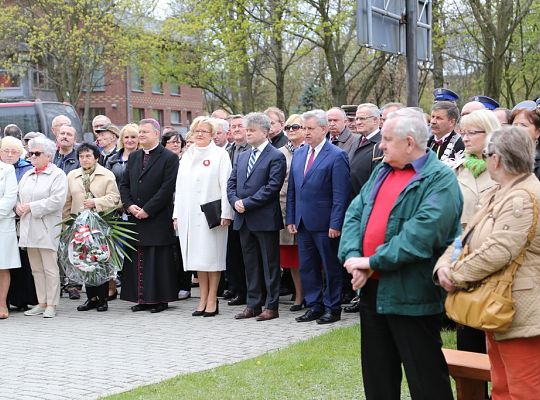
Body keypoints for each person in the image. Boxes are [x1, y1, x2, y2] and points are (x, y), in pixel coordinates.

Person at [339, 108, 462, 399]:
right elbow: (354, 214)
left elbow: (421, 234)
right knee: (378, 377)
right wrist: (354, 258)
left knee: (426, 379)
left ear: (409, 142)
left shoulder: (440, 179)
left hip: (412, 295)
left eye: (386, 139)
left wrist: (371, 262)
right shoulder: (382, 171)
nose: (380, 145)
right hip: (373, 292)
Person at [435, 126, 540, 399]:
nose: (483, 159)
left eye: (486, 154)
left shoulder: (523, 197)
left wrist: (455, 275)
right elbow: (465, 237)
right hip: (500, 308)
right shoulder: (499, 192)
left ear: (496, 159)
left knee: (524, 391)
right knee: (502, 388)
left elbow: (498, 250)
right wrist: (444, 265)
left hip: (523, 312)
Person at [286, 109, 350, 324]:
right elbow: (294, 189)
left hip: (325, 224)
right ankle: (314, 305)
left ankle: (332, 308)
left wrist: (336, 222)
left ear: (323, 129)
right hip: (303, 222)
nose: (305, 132)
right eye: (304, 128)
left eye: (310, 128)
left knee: (330, 267)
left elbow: (341, 194)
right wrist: (292, 218)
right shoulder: (300, 153)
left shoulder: (336, 155)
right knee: (308, 266)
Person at [227, 112, 286, 321]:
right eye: (247, 129)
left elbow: (272, 187)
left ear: (265, 132)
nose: (247, 133)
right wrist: (235, 201)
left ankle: (271, 306)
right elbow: (231, 183)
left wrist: (247, 203)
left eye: (251, 130)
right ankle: (253, 304)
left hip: (264, 218)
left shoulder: (276, 156)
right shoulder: (242, 156)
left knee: (269, 264)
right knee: (250, 263)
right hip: (243, 219)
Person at [174, 118, 233, 316]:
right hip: (189, 214)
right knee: (198, 258)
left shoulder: (220, 154)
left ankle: (212, 298)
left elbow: (226, 185)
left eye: (204, 131)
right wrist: (176, 215)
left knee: (211, 257)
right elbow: (179, 188)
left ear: (212, 134)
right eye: (196, 131)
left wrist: (226, 212)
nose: (200, 134)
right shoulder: (187, 155)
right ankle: (202, 297)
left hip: (211, 215)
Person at [119, 118, 179, 313]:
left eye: (145, 132)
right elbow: (124, 184)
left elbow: (166, 188)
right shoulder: (135, 156)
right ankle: (141, 299)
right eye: (140, 132)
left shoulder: (168, 157)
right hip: (136, 217)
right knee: (137, 259)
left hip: (157, 217)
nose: (141, 135)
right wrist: (130, 206)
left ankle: (160, 300)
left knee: (157, 261)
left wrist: (148, 209)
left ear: (156, 134)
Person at [64, 143, 121, 312]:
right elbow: (67, 201)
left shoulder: (106, 174)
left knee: (100, 259)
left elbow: (115, 198)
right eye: (81, 156)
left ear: (96, 157)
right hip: (79, 225)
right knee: (84, 259)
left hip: (100, 225)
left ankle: (103, 298)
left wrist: (96, 202)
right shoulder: (72, 175)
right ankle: (91, 298)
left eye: (88, 156)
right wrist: (66, 223)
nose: (84, 159)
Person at [17, 137, 68, 318]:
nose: (32, 157)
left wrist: (31, 206)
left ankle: (52, 304)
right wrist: (18, 206)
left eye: (37, 153)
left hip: (47, 227)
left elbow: (56, 201)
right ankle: (41, 302)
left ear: (48, 155)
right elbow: (19, 196)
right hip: (29, 227)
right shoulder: (27, 175)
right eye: (30, 153)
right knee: (36, 269)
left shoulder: (58, 175)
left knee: (49, 268)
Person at [0, 137, 37, 311]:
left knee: (10, 265)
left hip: (11, 223)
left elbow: (11, 197)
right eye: (5, 150)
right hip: (10, 220)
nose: (9, 154)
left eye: (13, 151)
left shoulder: (19, 169)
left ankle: (12, 303)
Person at [279, 115, 305, 311]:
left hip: (307, 211)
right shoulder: (280, 153)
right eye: (288, 127)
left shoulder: (311, 150)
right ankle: (299, 295)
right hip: (284, 210)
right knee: (292, 258)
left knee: (310, 256)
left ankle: (314, 293)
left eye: (295, 126)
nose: (291, 130)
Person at [161, 127, 191, 301]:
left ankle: (184, 284)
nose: (175, 145)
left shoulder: (186, 160)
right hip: (165, 209)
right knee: (170, 249)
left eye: (178, 142)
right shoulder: (162, 161)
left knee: (181, 249)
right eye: (171, 142)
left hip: (181, 208)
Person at [224, 114, 250, 306]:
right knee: (233, 253)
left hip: (248, 207)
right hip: (232, 207)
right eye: (233, 127)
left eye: (240, 126)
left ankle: (251, 292)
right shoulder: (229, 150)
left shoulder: (252, 150)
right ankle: (238, 290)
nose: (236, 129)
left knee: (247, 255)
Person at [0, 156, 20, 319]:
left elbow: (10, 197)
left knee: (2, 266)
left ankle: (2, 304)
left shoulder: (7, 169)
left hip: (2, 222)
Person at [428, 100, 465, 165]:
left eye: (438, 118)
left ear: (451, 122)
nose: (433, 121)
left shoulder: (460, 145)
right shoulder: (426, 142)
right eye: (432, 117)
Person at [510, 106, 540, 180]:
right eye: (515, 125)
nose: (517, 129)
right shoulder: (504, 157)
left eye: (523, 125)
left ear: (537, 132)